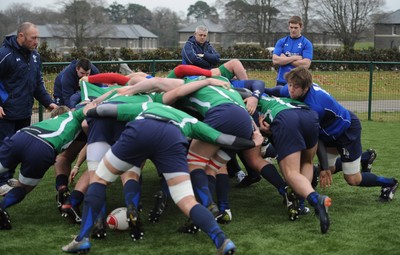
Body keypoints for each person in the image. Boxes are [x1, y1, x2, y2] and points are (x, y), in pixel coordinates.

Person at [61, 100, 264, 254]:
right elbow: (222, 138)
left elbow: (107, 110)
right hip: (172, 138)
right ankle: (222, 240)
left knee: (99, 179)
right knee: (186, 200)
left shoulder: (147, 105)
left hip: (142, 130)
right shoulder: (192, 121)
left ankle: (82, 239)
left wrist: (90, 109)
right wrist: (253, 141)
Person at [268, 66, 398, 202]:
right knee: (327, 168)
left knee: (352, 179)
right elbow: (277, 90)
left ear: (306, 88)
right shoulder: (297, 88)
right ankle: (364, 157)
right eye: (290, 85)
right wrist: (257, 93)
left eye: (295, 86)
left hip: (346, 132)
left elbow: (317, 139)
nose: (291, 89)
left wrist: (324, 168)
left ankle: (389, 183)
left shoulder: (314, 108)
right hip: (329, 132)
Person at [0, 106, 85, 230]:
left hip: (22, 136)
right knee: (23, 187)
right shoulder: (77, 121)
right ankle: (2, 205)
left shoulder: (51, 121)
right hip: (42, 147)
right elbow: (64, 158)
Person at [256, 94, 331, 233]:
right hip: (309, 115)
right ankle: (301, 205)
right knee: (307, 162)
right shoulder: (280, 93)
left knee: (291, 173)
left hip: (286, 118)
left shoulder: (250, 98)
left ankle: (316, 200)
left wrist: (264, 131)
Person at [0, 22, 58, 196]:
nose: (37, 41)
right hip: (6, 113)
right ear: (21, 37)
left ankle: (8, 177)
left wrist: (50, 103)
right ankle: (1, 182)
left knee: (17, 149)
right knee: (4, 147)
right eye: (33, 38)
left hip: (24, 112)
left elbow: (37, 84)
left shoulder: (35, 56)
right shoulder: (5, 54)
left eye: (37, 37)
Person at [272, 16, 313, 86]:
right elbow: (275, 60)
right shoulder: (281, 42)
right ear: (289, 27)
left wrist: (284, 59)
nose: (293, 30)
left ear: (301, 27)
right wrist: (295, 58)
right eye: (291, 27)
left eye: (296, 28)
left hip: (299, 82)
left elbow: (306, 64)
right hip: (282, 81)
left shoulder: (306, 43)